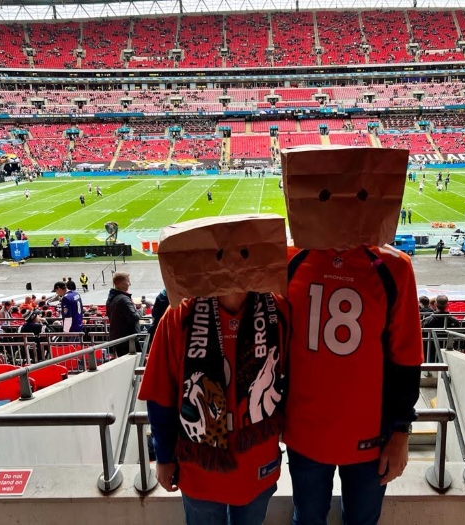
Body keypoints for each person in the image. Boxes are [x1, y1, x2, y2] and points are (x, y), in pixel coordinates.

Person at [282, 147, 422, 525]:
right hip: (305, 430)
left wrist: (400, 431)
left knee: (362, 520)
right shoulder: (289, 261)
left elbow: (406, 357)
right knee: (307, 518)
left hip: (371, 434)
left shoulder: (393, 268)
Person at [139, 215, 289, 525]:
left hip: (258, 460)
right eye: (222, 254)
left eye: (244, 253)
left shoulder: (280, 310)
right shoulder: (178, 316)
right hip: (200, 468)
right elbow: (160, 394)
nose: (233, 264)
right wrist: (164, 457)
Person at [105, 272, 142, 357]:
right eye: (128, 281)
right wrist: (140, 310)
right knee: (137, 364)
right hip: (129, 340)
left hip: (119, 340)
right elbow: (133, 317)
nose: (130, 284)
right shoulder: (124, 299)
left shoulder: (110, 299)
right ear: (121, 284)